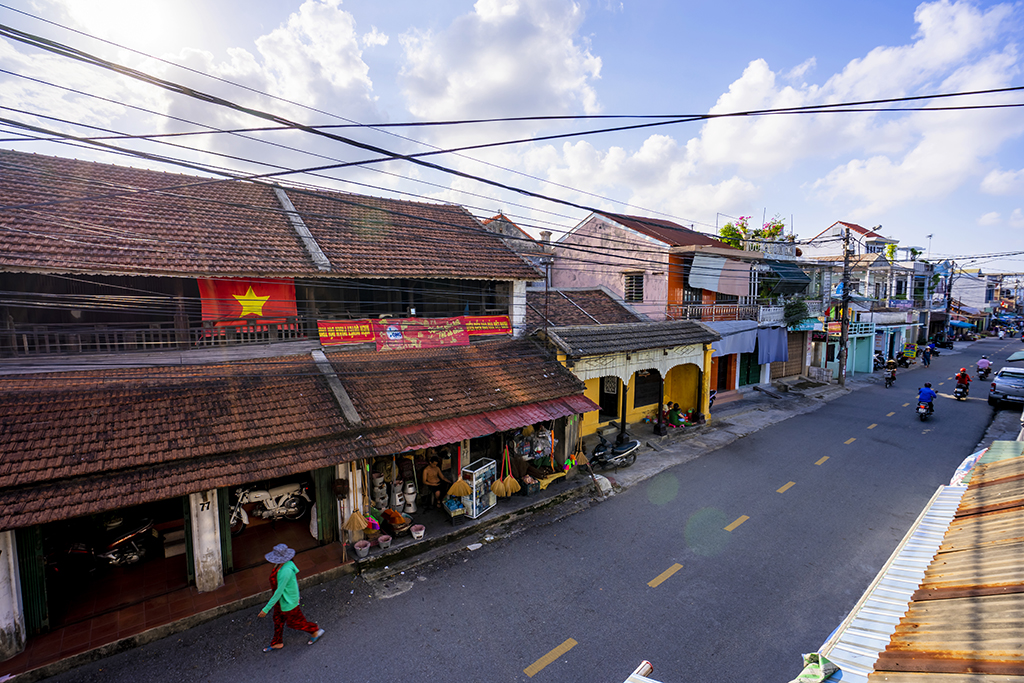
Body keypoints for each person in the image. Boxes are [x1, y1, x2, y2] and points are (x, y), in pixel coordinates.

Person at [259, 544, 324, 651]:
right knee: (278, 621)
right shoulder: (282, 566)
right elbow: (294, 584)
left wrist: (266, 609)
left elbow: (279, 591)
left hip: (288, 602)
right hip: (282, 601)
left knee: (295, 623)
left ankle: (314, 630)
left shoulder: (285, 571)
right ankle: (277, 642)